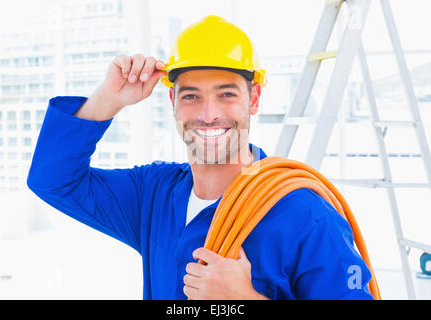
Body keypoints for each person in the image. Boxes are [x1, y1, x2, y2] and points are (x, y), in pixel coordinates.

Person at [27, 15, 374, 300]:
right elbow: (53, 180)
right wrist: (108, 98)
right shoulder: (154, 194)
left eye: (226, 94)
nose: (209, 114)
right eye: (191, 96)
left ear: (253, 100)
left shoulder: (305, 215)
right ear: (173, 104)